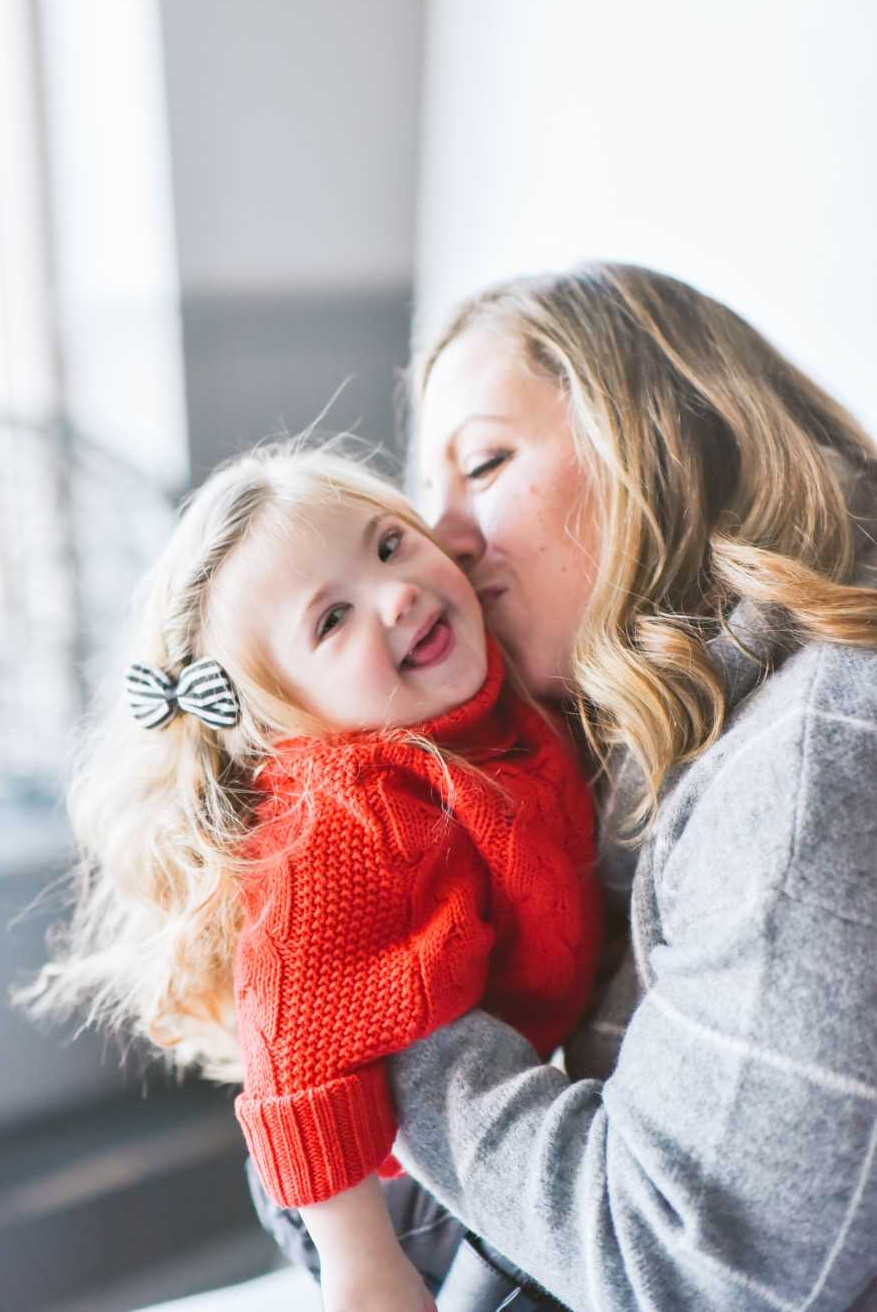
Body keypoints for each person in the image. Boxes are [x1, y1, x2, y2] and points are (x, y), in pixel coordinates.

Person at [255, 262, 877, 1310]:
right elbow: (414, 1234)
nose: (442, 541)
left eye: (485, 462)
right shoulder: (620, 746)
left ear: (665, 433)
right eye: (426, 498)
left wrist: (370, 986)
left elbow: (688, 1267)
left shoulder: (812, 755)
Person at [14, 441, 602, 1312]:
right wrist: (363, 1265)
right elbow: (295, 1054)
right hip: (368, 1184)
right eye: (332, 620)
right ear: (291, 720)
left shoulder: (488, 693)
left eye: (390, 544)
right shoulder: (347, 820)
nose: (396, 593)